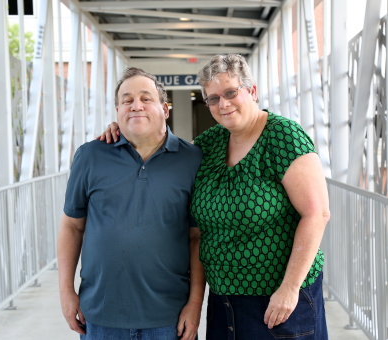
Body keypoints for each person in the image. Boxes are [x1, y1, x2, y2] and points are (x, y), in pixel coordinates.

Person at [100, 54, 330, 339]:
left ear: (252, 91)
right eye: (212, 98)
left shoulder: (283, 136)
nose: (223, 104)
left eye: (231, 92)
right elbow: (162, 150)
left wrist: (290, 287)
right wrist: (124, 131)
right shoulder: (209, 144)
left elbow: (317, 213)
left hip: (279, 301)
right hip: (223, 300)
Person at [57, 67, 205, 340]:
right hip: (100, 317)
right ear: (117, 111)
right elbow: (72, 227)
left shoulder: (192, 159)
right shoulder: (90, 156)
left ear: (165, 109)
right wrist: (66, 292)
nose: (136, 106)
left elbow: (196, 237)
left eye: (146, 98)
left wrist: (195, 305)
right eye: (127, 100)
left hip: (168, 319)